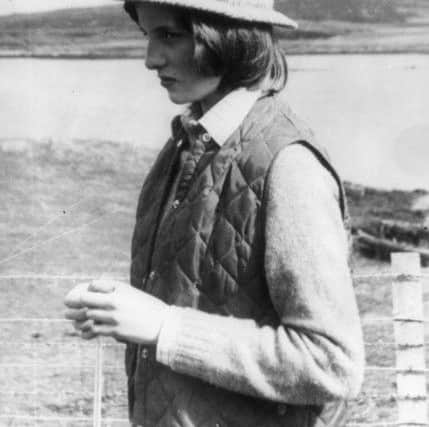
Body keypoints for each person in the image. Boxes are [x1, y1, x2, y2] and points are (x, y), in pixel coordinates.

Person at [64, 0, 365, 426]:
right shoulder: (183, 147)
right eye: (147, 36)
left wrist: (165, 327)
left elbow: (332, 365)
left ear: (229, 37)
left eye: (169, 35)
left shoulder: (288, 165)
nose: (151, 59)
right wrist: (118, 309)